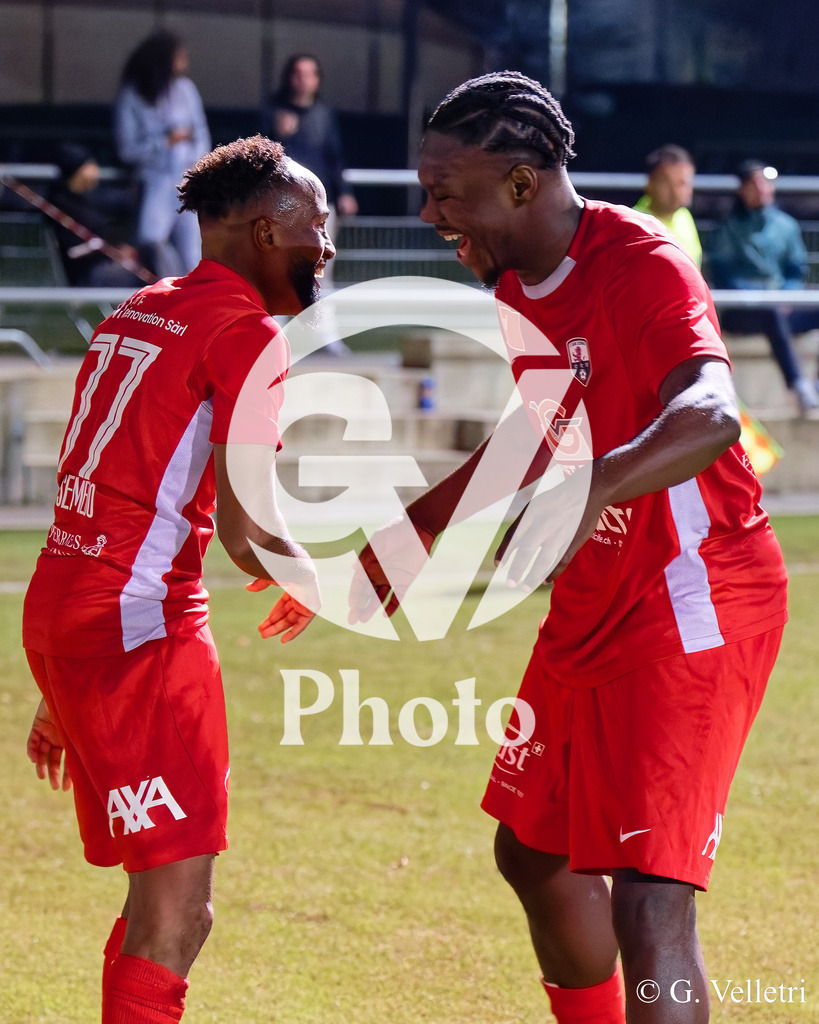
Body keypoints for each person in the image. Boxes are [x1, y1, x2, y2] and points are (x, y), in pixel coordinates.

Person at [349, 73, 788, 1024]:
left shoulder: (643, 262)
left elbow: (710, 413)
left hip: (691, 597)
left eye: (444, 192)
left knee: (648, 899)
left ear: (517, 183)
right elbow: (532, 429)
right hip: (593, 604)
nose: (429, 214)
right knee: (531, 850)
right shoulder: (515, 286)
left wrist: (588, 487)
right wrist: (410, 532)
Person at [23, 135, 333, 1022]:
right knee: (178, 911)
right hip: (139, 624)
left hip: (68, 609)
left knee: (158, 896)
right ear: (268, 228)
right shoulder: (246, 336)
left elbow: (105, 472)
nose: (328, 244)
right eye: (317, 223)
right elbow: (247, 529)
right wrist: (312, 574)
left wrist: (61, 684)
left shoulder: (137, 307)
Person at [707, 159, 819, 413]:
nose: (761, 188)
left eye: (766, 182)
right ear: (742, 190)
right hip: (742, 312)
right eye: (754, 182)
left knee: (791, 311)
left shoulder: (786, 225)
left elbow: (795, 270)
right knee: (771, 313)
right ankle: (798, 384)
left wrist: (787, 295)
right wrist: (762, 297)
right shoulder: (729, 228)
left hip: (780, 306)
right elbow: (724, 275)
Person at [115, 30, 211, 277]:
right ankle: (171, 293)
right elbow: (128, 149)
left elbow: (201, 134)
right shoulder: (134, 93)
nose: (184, 60)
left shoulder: (186, 89)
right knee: (152, 240)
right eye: (179, 54)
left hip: (189, 181)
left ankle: (195, 304)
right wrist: (164, 142)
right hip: (155, 181)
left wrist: (197, 168)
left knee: (194, 251)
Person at [48, 142, 146, 287]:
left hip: (105, 263)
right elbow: (75, 250)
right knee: (141, 273)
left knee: (148, 258)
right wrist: (110, 247)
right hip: (87, 273)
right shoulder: (61, 205)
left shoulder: (87, 199)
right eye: (90, 164)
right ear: (79, 169)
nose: (95, 170)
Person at [633, 144, 701, 267]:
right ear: (650, 183)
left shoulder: (684, 216)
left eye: (683, 183)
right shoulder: (634, 225)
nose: (675, 191)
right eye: (666, 183)